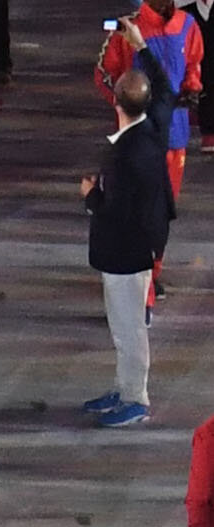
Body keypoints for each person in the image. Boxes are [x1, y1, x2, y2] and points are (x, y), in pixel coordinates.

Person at [85, 71, 176, 428]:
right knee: (124, 324)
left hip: (126, 251)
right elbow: (167, 91)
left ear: (116, 102)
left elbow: (115, 211)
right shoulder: (153, 131)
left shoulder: (127, 153)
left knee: (129, 327)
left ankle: (135, 397)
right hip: (140, 245)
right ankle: (124, 388)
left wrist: (90, 195)